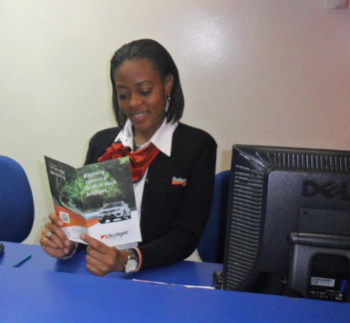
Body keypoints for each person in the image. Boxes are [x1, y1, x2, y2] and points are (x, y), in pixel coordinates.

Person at [40, 39, 217, 275]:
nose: (133, 103)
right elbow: (88, 225)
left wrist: (127, 260)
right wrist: (67, 243)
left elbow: (186, 235)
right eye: (123, 94)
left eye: (144, 91)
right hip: (99, 271)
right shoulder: (102, 144)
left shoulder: (197, 147)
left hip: (165, 275)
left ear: (167, 84)